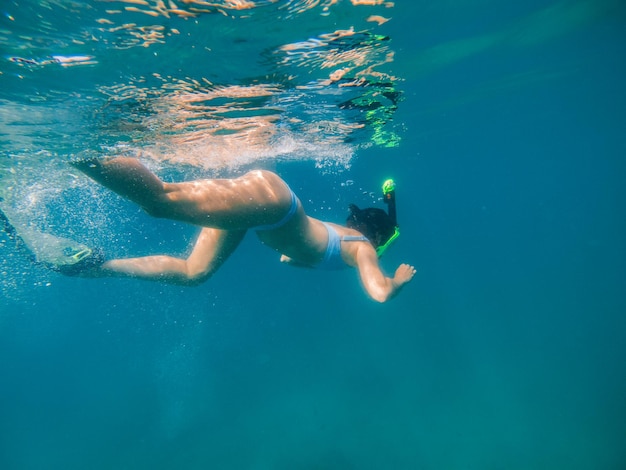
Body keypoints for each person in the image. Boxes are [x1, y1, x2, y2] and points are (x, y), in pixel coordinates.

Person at [68, 157, 416, 302]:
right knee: (160, 202)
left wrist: (302, 254)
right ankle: (82, 152)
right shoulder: (362, 249)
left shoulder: (347, 241)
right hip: (272, 205)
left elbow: (286, 257)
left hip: (264, 214)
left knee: (195, 272)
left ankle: (96, 266)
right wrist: (397, 279)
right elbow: (380, 293)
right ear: (377, 240)